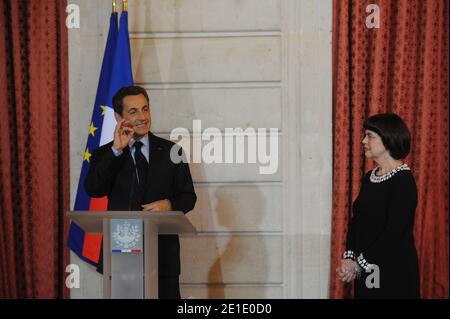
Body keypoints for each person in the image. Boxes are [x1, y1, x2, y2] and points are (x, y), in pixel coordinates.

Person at [85, 85, 197, 299]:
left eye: (145, 109)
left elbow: (188, 197)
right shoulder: (105, 153)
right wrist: (116, 151)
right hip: (121, 256)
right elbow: (94, 189)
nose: (142, 117)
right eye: (133, 111)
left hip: (162, 257)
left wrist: (170, 205)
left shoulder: (173, 151)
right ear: (119, 117)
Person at [336, 113, 420, 299]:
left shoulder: (403, 181)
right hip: (368, 270)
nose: (363, 141)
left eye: (370, 136)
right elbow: (356, 222)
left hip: (394, 271)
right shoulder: (370, 177)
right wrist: (349, 257)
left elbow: (395, 231)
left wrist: (360, 263)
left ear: (388, 140)